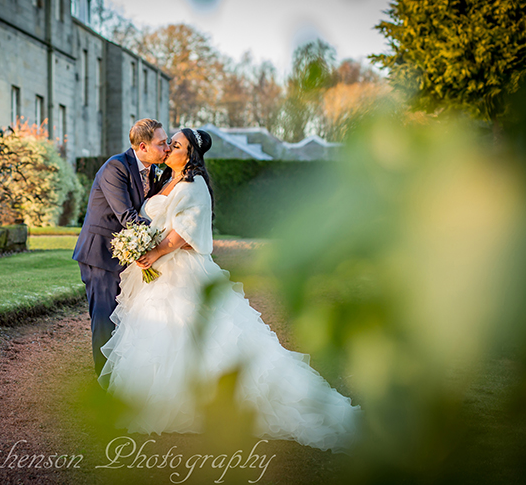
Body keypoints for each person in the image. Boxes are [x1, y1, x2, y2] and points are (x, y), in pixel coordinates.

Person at [97, 128, 362, 454]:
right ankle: (160, 400)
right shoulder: (165, 180)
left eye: (175, 145)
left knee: (201, 334)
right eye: (168, 143)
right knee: (161, 334)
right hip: (160, 270)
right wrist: (142, 246)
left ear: (191, 154)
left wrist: (154, 252)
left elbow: (183, 231)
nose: (167, 148)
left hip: (181, 270)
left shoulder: (194, 187)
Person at [73, 118, 170, 376]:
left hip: (126, 256)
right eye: (161, 144)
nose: (167, 148)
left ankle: (121, 379)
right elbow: (127, 216)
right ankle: (104, 387)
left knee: (125, 319)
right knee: (105, 322)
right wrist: (165, 242)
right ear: (142, 146)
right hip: (101, 256)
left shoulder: (153, 170)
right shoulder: (115, 168)